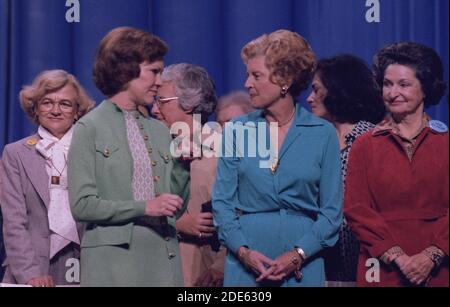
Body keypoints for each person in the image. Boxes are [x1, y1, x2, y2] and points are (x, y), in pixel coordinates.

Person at [212, 29, 343, 287]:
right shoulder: (237, 130)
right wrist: (244, 253)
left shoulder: (323, 133)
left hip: (303, 264)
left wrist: (297, 255)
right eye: (248, 74)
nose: (247, 83)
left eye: (256, 75)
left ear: (285, 80)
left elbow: (331, 214)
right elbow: (222, 205)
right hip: (246, 264)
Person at [68, 27, 190, 287]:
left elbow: (175, 208)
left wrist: (182, 167)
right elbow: (82, 205)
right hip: (113, 264)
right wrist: (144, 207)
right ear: (125, 69)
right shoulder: (89, 127)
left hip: (162, 259)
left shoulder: (160, 130)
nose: (159, 81)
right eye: (154, 71)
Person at [344, 42, 448, 287]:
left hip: (440, 266)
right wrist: (399, 258)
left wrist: (432, 255)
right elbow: (356, 209)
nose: (392, 93)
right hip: (381, 266)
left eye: (404, 84)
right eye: (387, 84)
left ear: (425, 88)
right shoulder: (364, 145)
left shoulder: (446, 143)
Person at [1, 69, 94, 286]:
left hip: (85, 262)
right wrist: (30, 273)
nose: (55, 110)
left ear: (77, 111)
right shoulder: (15, 154)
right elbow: (13, 221)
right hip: (31, 267)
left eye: (65, 104)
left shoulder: (93, 151)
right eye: (47, 102)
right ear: (35, 107)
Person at [306, 54, 386, 286]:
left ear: (337, 89)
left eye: (316, 89)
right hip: (320, 268)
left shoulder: (374, 140)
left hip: (365, 266)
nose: (310, 98)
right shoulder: (314, 142)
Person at [151, 63, 226, 287]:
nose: (154, 109)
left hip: (204, 274)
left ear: (190, 103)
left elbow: (242, 216)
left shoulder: (223, 153)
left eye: (161, 101)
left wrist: (220, 267)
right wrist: (178, 222)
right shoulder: (150, 149)